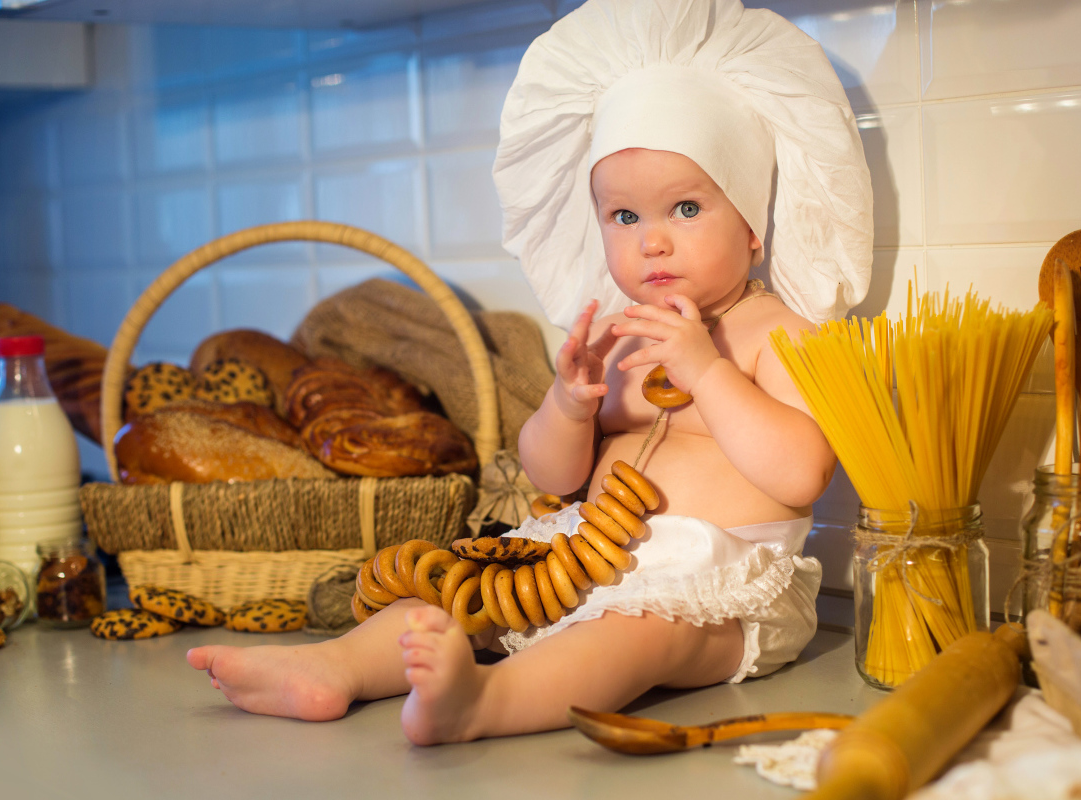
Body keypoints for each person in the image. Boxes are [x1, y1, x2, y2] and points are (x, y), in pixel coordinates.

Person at [185, 0, 874, 746]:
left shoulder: (781, 334)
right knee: (465, 593)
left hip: (722, 594)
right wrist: (569, 406)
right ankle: (337, 668)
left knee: (637, 635)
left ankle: (485, 701)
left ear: (750, 225)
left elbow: (802, 472)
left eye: (684, 208)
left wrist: (708, 372)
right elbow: (551, 469)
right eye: (624, 217)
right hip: (581, 559)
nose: (653, 245)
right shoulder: (619, 339)